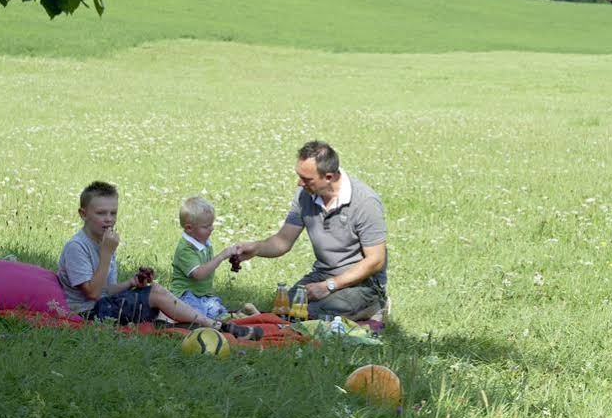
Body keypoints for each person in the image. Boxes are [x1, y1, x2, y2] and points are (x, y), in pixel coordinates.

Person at [57, 181, 260, 340]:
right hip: (88, 314)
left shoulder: (105, 240)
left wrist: (131, 284)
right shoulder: (78, 247)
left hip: (104, 304)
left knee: (154, 290)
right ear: (83, 214)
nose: (109, 219)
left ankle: (195, 324)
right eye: (101, 213)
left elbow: (106, 289)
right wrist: (107, 253)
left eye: (113, 213)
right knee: (155, 294)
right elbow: (92, 294)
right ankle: (218, 326)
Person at [237, 141, 387, 321]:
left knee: (315, 314)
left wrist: (328, 286)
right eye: (299, 176)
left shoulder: (365, 202)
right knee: (285, 308)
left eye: (307, 179)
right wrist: (255, 249)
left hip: (363, 283)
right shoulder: (305, 195)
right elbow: (283, 240)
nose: (300, 183)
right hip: (324, 274)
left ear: (329, 177)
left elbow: (376, 260)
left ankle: (375, 305)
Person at [169, 195, 259, 320]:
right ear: (189, 228)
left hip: (204, 295)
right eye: (206, 226)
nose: (212, 228)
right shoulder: (186, 249)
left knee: (219, 313)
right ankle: (239, 318)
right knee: (197, 317)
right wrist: (221, 256)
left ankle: (241, 315)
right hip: (185, 295)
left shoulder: (203, 241)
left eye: (211, 224)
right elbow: (198, 274)